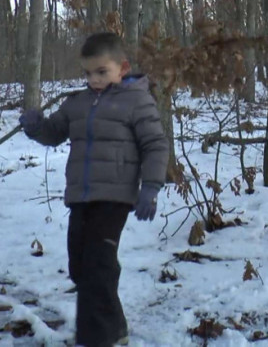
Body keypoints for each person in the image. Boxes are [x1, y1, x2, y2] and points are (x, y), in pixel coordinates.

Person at [19, 32, 169, 347]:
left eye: (102, 72)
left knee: (98, 265)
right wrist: (35, 126)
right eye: (88, 73)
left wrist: (150, 187)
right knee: (80, 267)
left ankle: (96, 339)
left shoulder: (137, 100)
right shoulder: (77, 102)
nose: (94, 79)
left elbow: (155, 145)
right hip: (81, 197)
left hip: (114, 197)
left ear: (122, 67)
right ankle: (115, 330)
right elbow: (54, 133)